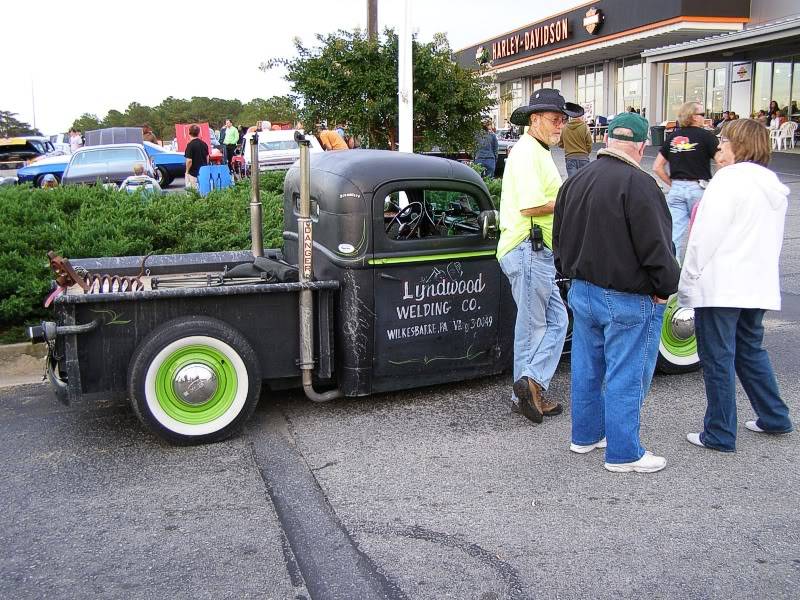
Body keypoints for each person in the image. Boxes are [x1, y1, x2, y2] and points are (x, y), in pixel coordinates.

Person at [553, 113, 679, 473]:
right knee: (626, 373)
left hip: (582, 291)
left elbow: (558, 238)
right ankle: (624, 453)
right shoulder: (641, 185)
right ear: (641, 146)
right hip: (625, 296)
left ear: (605, 140)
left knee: (587, 368)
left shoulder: (575, 182)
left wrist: (569, 273)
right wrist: (665, 287)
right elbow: (657, 247)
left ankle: (586, 436)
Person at [679, 119, 793, 452]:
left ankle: (719, 432)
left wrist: (687, 284)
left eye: (723, 143)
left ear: (738, 146)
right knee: (750, 351)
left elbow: (703, 238)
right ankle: (774, 415)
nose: (718, 150)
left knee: (717, 357)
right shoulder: (773, 186)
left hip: (721, 284)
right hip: (757, 284)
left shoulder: (727, 182)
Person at [497, 88, 583, 424]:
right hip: (528, 248)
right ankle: (529, 389)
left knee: (553, 322)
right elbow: (531, 205)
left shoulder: (535, 150)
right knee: (536, 327)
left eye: (563, 119)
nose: (561, 124)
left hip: (532, 249)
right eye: (554, 118)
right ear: (535, 120)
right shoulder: (529, 152)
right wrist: (569, 199)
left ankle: (530, 387)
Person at [652, 101, 719, 260]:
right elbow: (721, 160)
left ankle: (673, 269)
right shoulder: (707, 137)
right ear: (694, 117)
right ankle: (699, 269)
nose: (704, 118)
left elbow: (657, 166)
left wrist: (672, 183)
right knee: (701, 232)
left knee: (674, 233)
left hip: (676, 189)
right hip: (699, 188)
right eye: (702, 114)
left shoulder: (673, 137)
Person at [184, 124, 209, 190]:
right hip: (203, 172)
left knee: (193, 192)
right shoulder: (204, 144)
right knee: (203, 190)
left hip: (193, 173)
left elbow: (189, 161)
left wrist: (187, 171)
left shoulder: (190, 145)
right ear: (198, 133)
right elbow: (207, 157)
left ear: (189, 133)